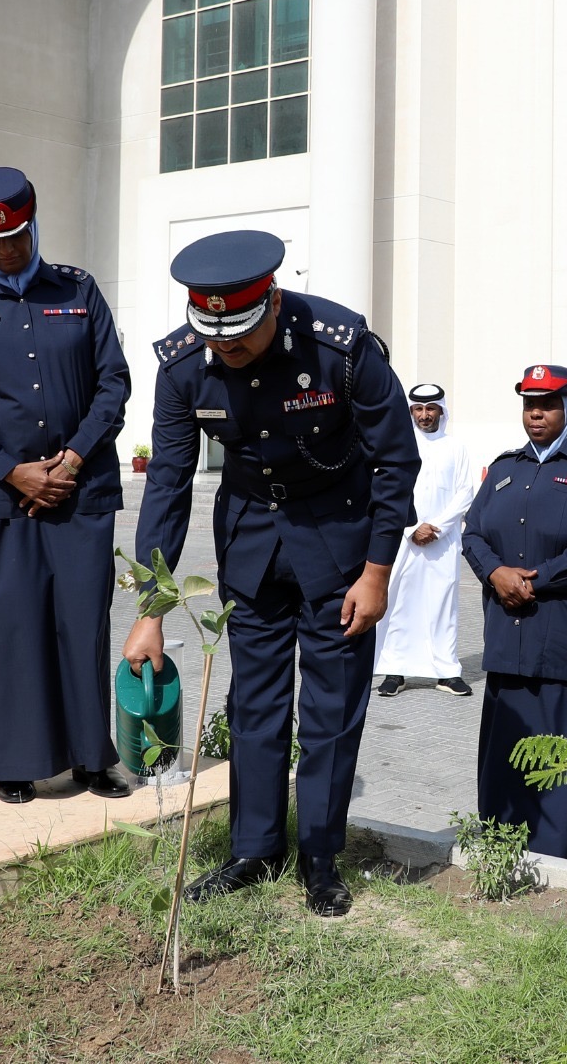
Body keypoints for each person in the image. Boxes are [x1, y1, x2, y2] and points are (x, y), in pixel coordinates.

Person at [123, 230, 419, 917]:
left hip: (339, 548)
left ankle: (319, 856)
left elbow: (396, 463)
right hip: (251, 548)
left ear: (274, 304)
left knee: (331, 710)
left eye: (239, 338)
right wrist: (150, 611)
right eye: (214, 339)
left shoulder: (342, 348)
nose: (225, 351)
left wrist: (376, 572)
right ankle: (254, 850)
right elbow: (167, 484)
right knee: (253, 706)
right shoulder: (182, 366)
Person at [0, 167, 132, 805]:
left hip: (81, 493)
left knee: (82, 625)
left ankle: (91, 760)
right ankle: (14, 764)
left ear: (33, 223)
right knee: (11, 628)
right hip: (1, 498)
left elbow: (114, 382)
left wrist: (71, 461)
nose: (6, 250)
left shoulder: (79, 290)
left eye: (15, 236)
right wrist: (12, 469)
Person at [462, 365, 567, 861]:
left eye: (548, 404)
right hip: (510, 641)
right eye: (529, 403)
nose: (536, 413)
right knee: (505, 754)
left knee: (562, 763)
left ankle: (558, 863)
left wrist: (532, 580)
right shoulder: (506, 467)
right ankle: (498, 851)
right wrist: (495, 574)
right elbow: (472, 533)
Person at [373, 383, 477, 698]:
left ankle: (446, 672)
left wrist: (437, 527)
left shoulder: (455, 447)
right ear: (411, 412)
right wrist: (412, 526)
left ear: (441, 411)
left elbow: (465, 493)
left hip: (442, 543)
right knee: (399, 601)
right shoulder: (398, 445)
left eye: (430, 408)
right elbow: (388, 488)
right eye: (418, 409)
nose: (424, 415)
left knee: (443, 604)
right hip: (405, 539)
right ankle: (395, 670)